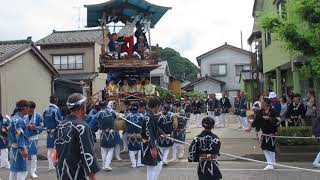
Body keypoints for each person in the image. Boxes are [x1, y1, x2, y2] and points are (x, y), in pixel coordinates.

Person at [55, 93, 99, 180]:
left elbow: (56, 151)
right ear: (83, 106)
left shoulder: (60, 125)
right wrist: (92, 177)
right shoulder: (82, 127)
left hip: (61, 171)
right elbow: (87, 153)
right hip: (76, 173)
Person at [246, 98, 279, 170]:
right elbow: (256, 120)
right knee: (265, 148)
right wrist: (250, 128)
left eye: (263, 103)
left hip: (272, 133)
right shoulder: (261, 111)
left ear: (267, 104)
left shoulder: (274, 111)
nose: (261, 104)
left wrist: (269, 119)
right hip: (264, 133)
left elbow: (278, 121)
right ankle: (270, 162)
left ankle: (271, 163)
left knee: (271, 148)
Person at [141, 97, 162, 180]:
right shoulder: (148, 117)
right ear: (157, 106)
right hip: (149, 144)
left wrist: (161, 133)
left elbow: (154, 128)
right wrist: (152, 147)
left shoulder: (150, 115)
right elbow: (149, 133)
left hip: (150, 143)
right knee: (152, 168)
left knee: (157, 165)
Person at [8, 100, 29, 180]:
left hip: (13, 147)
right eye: (27, 108)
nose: (28, 110)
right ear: (24, 108)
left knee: (13, 170)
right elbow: (19, 135)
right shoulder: (20, 120)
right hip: (19, 148)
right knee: (21, 170)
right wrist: (22, 148)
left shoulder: (13, 118)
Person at [43, 96, 63, 170]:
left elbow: (44, 121)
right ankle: (56, 163)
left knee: (50, 148)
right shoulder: (56, 110)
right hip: (56, 131)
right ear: (56, 101)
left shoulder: (46, 110)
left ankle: (50, 165)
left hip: (48, 131)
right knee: (57, 148)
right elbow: (59, 121)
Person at [96, 100, 117, 171]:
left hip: (103, 132)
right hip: (111, 132)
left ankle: (104, 165)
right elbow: (114, 118)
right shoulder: (112, 111)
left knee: (103, 149)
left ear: (99, 106)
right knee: (111, 149)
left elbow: (97, 122)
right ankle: (107, 165)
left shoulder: (98, 113)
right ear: (106, 105)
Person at [27, 101, 44, 178]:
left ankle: (33, 172)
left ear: (33, 108)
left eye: (30, 109)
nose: (28, 110)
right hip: (24, 137)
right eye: (27, 108)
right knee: (23, 155)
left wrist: (35, 128)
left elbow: (41, 127)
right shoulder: (24, 115)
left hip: (33, 137)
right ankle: (23, 171)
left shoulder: (38, 116)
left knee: (33, 155)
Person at [125, 102, 144, 168]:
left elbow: (125, 125)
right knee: (139, 149)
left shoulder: (127, 115)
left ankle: (133, 163)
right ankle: (139, 163)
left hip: (130, 134)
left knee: (131, 150)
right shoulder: (142, 116)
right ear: (138, 108)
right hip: (139, 134)